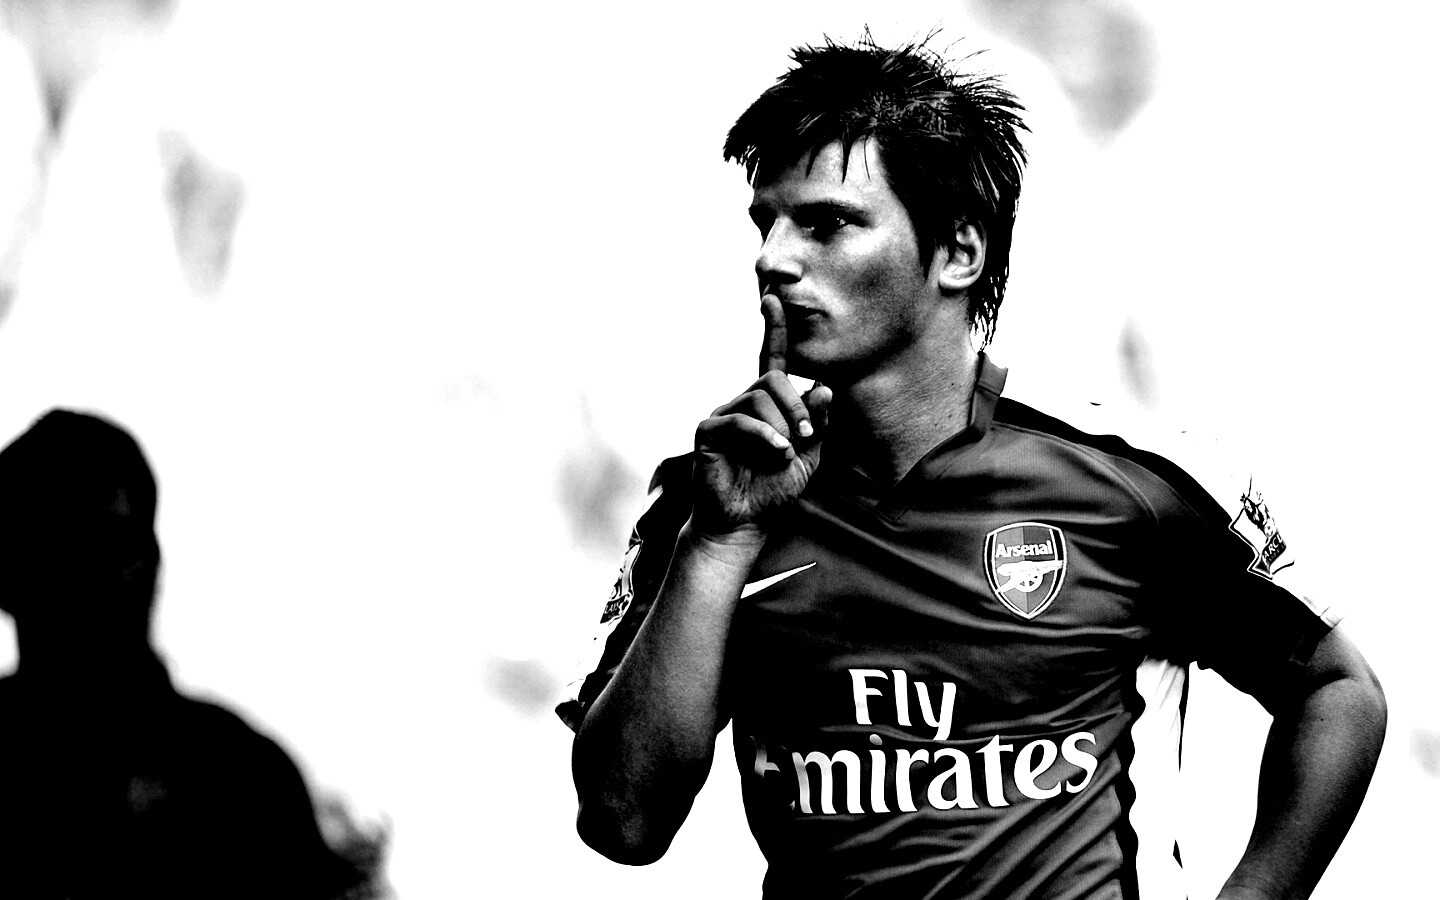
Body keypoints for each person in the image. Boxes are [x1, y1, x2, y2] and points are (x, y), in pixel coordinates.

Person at [558, 34, 1386, 900]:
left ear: (959, 252)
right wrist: (719, 543)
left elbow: (1339, 688)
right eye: (767, 223)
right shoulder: (709, 499)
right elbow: (622, 823)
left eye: (827, 223)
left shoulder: (1130, 481)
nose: (773, 258)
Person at [0, 409, 371, 899]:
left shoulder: (243, 777)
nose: (96, 575)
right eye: (61, 546)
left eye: (114, 543)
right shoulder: (242, 771)